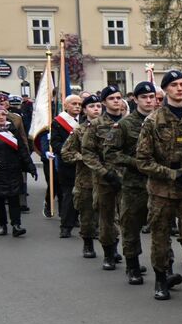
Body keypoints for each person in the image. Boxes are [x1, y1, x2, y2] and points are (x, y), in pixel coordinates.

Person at [136, 70, 182, 305]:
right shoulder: (153, 121)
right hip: (162, 192)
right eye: (175, 85)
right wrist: (173, 175)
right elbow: (142, 161)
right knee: (160, 238)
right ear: (166, 89)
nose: (180, 89)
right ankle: (161, 279)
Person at [105, 82, 159, 286]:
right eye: (143, 97)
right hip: (134, 184)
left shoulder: (162, 121)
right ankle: (133, 265)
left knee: (161, 227)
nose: (148, 100)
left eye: (151, 96)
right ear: (135, 99)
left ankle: (165, 267)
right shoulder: (125, 125)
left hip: (160, 183)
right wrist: (136, 163)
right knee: (131, 226)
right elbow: (110, 153)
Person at [81, 85, 126, 270]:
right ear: (104, 102)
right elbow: (88, 153)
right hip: (105, 179)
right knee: (106, 219)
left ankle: (131, 256)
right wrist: (104, 172)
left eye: (118, 97)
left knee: (129, 219)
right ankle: (108, 253)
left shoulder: (129, 122)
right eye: (112, 98)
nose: (116, 101)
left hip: (128, 178)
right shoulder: (95, 125)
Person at [0, 104, 37, 237]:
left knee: (14, 198)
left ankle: (16, 225)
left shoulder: (11, 129)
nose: (1, 117)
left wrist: (30, 167)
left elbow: (21, 149)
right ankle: (2, 225)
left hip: (12, 169)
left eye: (3, 114)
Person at [61, 95, 102, 258]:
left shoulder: (112, 128)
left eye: (99, 106)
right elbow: (66, 152)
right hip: (86, 180)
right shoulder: (79, 130)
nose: (96, 109)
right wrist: (83, 158)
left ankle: (110, 248)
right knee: (87, 215)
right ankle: (88, 244)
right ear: (85, 110)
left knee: (109, 216)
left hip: (106, 179)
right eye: (92, 106)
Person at [49, 95, 82, 237]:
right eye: (74, 104)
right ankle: (66, 226)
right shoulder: (58, 122)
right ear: (66, 105)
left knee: (84, 194)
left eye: (80, 104)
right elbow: (55, 143)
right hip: (67, 164)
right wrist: (70, 151)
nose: (77, 106)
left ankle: (77, 219)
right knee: (69, 194)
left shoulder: (85, 120)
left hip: (84, 163)